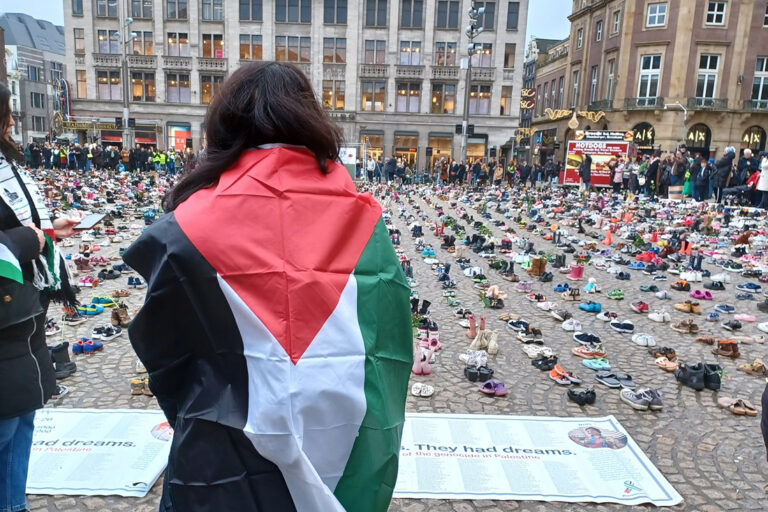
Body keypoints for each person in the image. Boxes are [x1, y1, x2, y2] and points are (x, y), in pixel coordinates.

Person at [123, 62, 411, 512]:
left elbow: (164, 349)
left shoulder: (184, 226)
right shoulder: (367, 222)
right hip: (339, 440)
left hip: (222, 454)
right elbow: (389, 345)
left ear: (223, 122)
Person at [0, 82, 79, 512]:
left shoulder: (7, 162)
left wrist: (47, 233)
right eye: (5, 114)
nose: (11, 121)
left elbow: (21, 223)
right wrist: (29, 238)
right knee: (6, 426)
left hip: (22, 311)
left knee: (24, 417)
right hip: (4, 314)